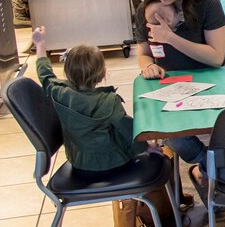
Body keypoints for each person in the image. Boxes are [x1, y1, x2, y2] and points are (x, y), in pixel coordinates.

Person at [137, 0, 225, 192]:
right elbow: (144, 52)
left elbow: (217, 57)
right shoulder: (147, 9)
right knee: (172, 132)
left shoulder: (208, 5)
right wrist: (148, 65)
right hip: (172, 86)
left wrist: (170, 38)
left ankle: (210, 170)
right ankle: (207, 165)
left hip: (212, 80)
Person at [32, 25, 151, 171]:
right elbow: (128, 130)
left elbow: (45, 75)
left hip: (79, 162)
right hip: (114, 162)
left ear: (67, 71)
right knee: (159, 159)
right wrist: (147, 146)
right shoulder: (109, 101)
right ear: (102, 73)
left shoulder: (58, 92)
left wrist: (40, 45)